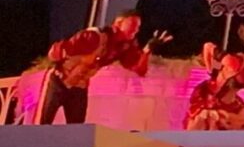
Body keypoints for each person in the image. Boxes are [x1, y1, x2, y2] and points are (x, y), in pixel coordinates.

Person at [36, 11, 172, 124]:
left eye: (138, 27)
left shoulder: (124, 46)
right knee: (42, 125)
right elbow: (56, 52)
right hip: (58, 82)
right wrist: (61, 58)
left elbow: (139, 69)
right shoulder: (94, 37)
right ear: (118, 23)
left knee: (76, 129)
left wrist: (148, 49)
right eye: (133, 25)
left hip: (79, 88)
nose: (136, 30)